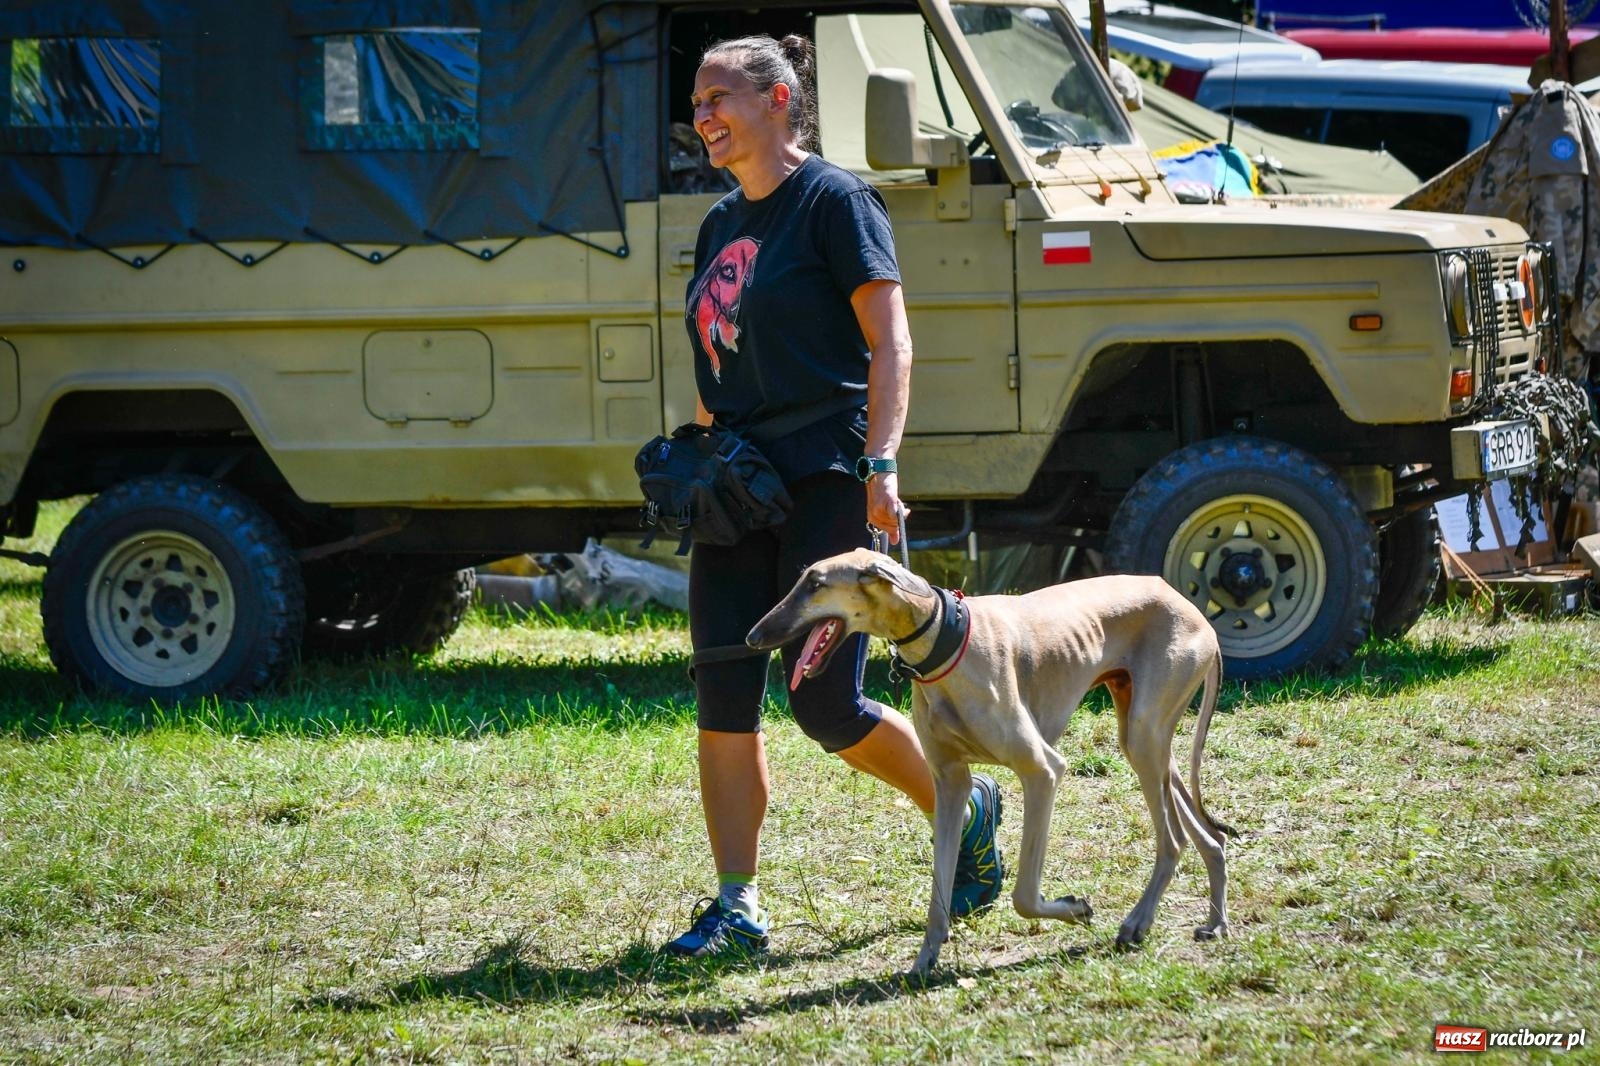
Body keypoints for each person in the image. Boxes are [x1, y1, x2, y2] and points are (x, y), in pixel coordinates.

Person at [663, 33, 1005, 958]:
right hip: (737, 487)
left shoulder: (836, 202)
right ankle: (736, 906)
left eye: (720, 96)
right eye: (696, 102)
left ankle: (967, 803)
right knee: (722, 691)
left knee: (822, 706)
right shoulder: (717, 223)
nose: (704, 116)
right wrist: (698, 459)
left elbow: (890, 341)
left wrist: (882, 466)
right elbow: (717, 353)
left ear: (778, 100)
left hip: (825, 480)